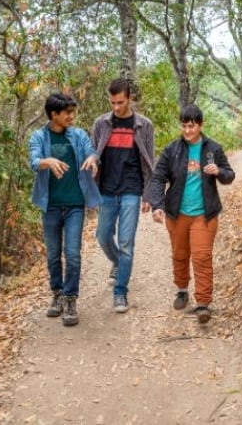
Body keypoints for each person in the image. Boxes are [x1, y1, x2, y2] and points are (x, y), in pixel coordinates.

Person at [149, 104, 235, 324]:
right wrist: (157, 204)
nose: (187, 131)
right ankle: (181, 289)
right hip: (177, 213)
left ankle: (203, 303)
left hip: (204, 214)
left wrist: (219, 171)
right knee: (180, 253)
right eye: (184, 126)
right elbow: (158, 178)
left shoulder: (212, 149)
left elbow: (229, 175)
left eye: (192, 126)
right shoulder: (172, 150)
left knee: (202, 257)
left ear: (200, 125)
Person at [29, 92, 101, 327]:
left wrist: (92, 159)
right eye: (67, 112)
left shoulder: (78, 134)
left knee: (72, 253)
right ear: (54, 114)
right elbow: (34, 161)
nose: (72, 116)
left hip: (75, 205)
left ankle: (71, 298)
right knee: (52, 254)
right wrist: (47, 162)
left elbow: (92, 151)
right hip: (50, 205)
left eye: (73, 112)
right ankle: (57, 294)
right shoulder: (39, 137)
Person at [91, 78, 155, 313]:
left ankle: (120, 293)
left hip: (131, 190)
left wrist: (148, 195)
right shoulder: (101, 123)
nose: (116, 107)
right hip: (106, 190)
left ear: (129, 99)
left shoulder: (144, 125)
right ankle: (117, 262)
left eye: (120, 102)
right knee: (103, 236)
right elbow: (92, 154)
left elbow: (149, 162)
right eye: (112, 102)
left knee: (127, 243)